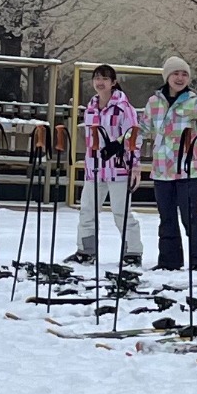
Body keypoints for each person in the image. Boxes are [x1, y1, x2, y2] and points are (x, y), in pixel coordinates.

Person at [140, 57, 197, 274]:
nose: (180, 78)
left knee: (190, 215)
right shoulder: (154, 102)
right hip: (161, 169)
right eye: (176, 74)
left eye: (184, 74)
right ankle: (169, 260)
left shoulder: (193, 102)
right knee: (166, 217)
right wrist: (123, 145)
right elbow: (142, 129)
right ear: (167, 76)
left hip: (188, 168)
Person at [72, 63, 142, 267]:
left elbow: (133, 136)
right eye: (96, 78)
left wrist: (133, 162)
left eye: (104, 79)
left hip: (118, 168)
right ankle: (86, 250)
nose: (100, 83)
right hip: (94, 168)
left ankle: (132, 251)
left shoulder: (123, 108)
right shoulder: (91, 107)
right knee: (87, 210)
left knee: (121, 211)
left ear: (113, 82)